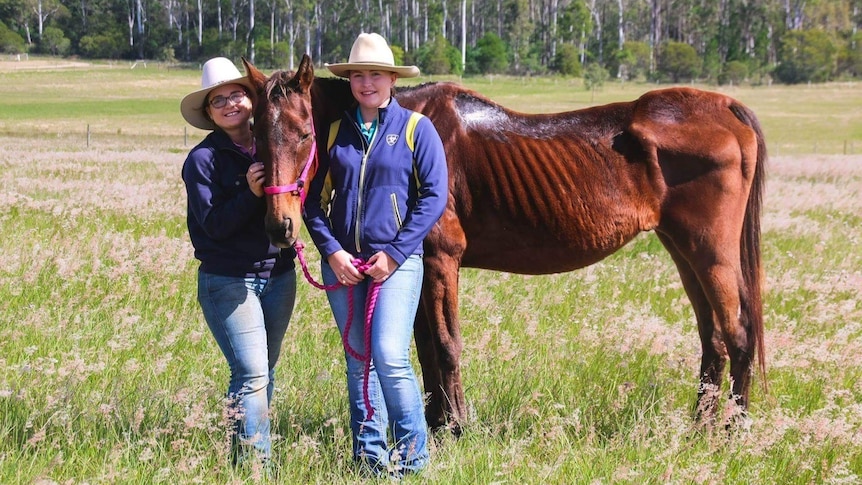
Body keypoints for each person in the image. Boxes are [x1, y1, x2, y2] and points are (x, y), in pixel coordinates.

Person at [304, 33, 448, 477]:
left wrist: (396, 253)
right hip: (345, 266)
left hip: (396, 265)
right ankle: (369, 457)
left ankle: (411, 457)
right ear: (349, 80)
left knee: (389, 356)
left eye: (376, 75)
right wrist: (331, 252)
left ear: (391, 80)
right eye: (359, 75)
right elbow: (310, 201)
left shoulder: (415, 129)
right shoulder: (333, 134)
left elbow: (434, 197)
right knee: (358, 362)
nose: (367, 83)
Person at [180, 57, 297, 467]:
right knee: (250, 373)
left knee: (265, 370)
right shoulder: (203, 161)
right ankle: (254, 469)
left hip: (279, 274)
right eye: (218, 101)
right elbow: (212, 227)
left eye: (236, 95)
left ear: (251, 100)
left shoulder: (274, 141)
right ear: (209, 113)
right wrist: (249, 193)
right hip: (228, 280)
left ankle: (243, 457)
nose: (230, 104)